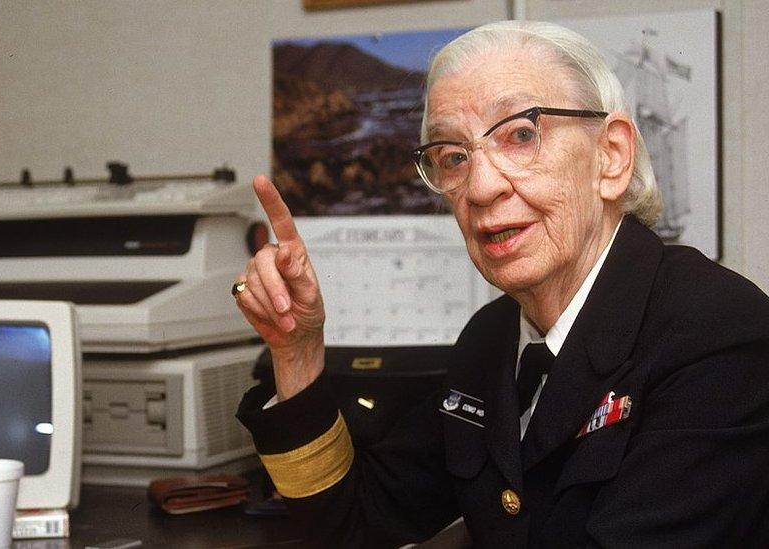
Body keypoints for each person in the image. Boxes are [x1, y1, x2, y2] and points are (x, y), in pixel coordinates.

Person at [232, 20, 769, 548]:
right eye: (454, 157)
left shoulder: (717, 335)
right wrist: (298, 354)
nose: (481, 187)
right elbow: (353, 523)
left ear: (611, 156)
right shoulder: (490, 338)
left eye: (521, 134)